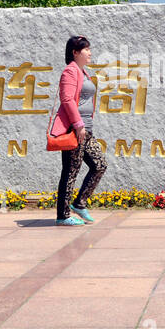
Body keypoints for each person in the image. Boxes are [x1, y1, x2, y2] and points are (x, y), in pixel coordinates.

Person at [53, 35, 107, 225]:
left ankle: (80, 204)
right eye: (86, 49)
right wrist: (77, 124)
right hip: (74, 129)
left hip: (86, 129)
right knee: (70, 171)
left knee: (99, 165)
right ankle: (63, 215)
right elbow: (67, 99)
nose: (89, 52)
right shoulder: (70, 71)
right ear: (75, 52)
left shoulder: (83, 72)